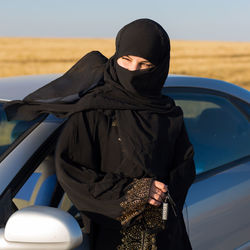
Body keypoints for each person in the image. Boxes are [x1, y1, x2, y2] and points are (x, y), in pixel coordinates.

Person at [4, 18, 196, 250]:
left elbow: (184, 168)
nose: (133, 71)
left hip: (165, 236)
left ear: (159, 67)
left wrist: (161, 195)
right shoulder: (95, 110)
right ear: (116, 57)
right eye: (126, 59)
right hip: (109, 236)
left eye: (144, 65)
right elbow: (73, 172)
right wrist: (136, 194)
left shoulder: (167, 113)